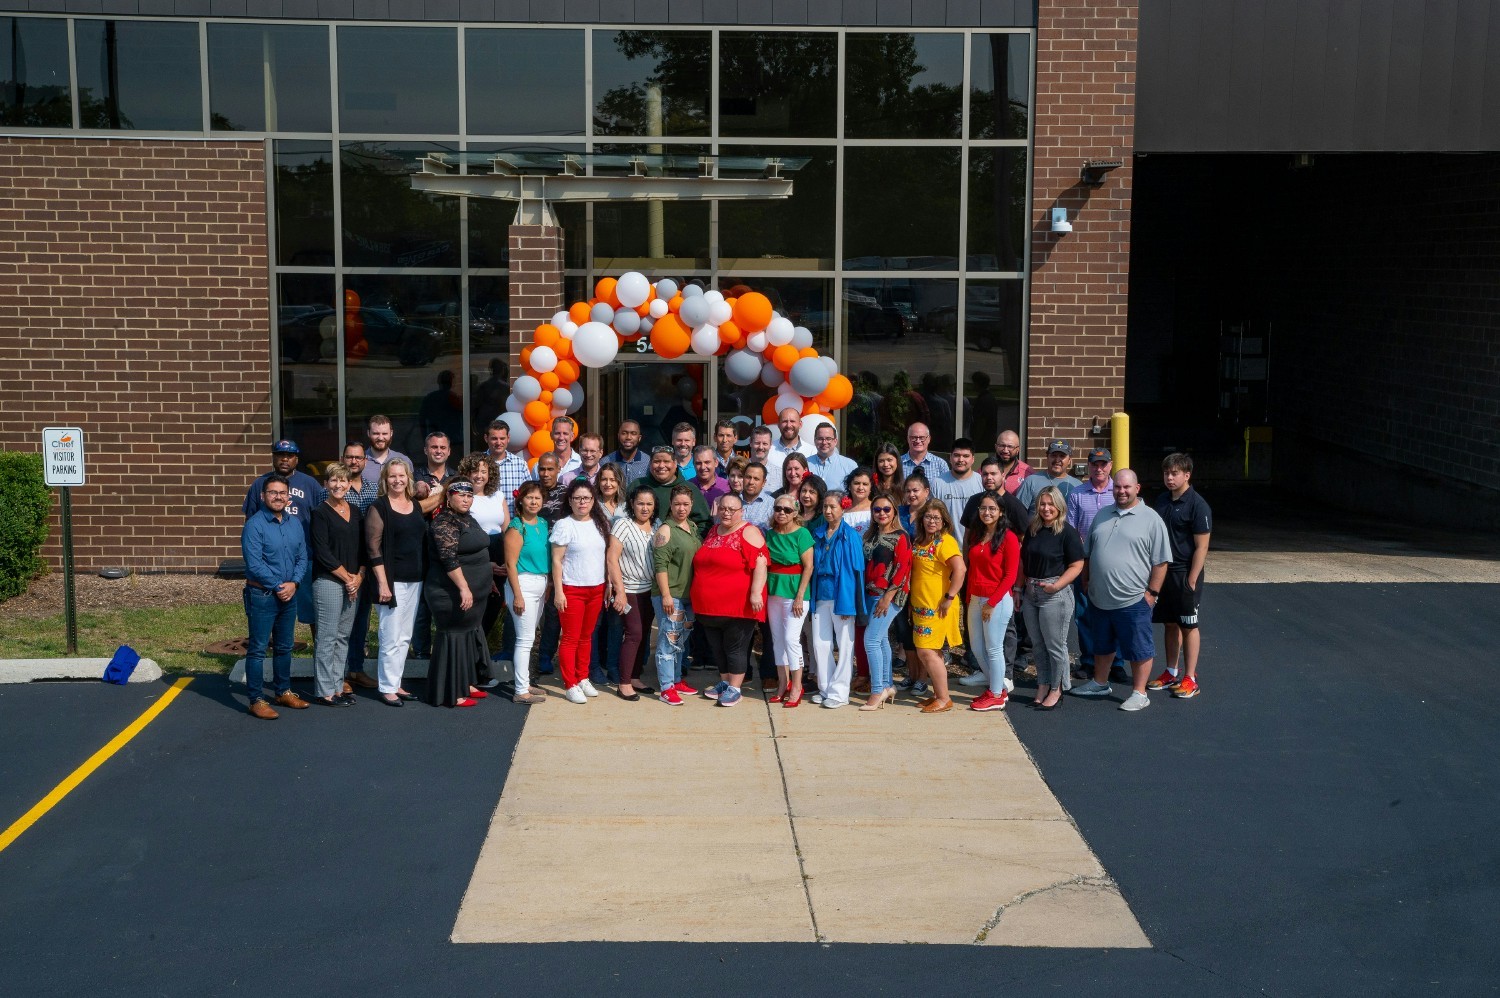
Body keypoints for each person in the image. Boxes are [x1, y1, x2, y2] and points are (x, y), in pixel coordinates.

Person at [1073, 470, 1172, 711]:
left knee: (1139, 648)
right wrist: (1086, 582)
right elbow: (1088, 554)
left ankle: (1139, 693)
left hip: (1134, 599)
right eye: (1117, 487)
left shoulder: (1151, 519)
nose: (1121, 491)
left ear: (1137, 488)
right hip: (1100, 597)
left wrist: (1152, 594)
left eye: (1127, 487)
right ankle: (1099, 682)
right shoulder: (1103, 515)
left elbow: (1161, 561)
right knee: (1102, 644)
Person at [240, 474, 310, 719]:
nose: (278, 497)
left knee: (284, 647)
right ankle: (256, 699)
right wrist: (281, 585)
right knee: (258, 649)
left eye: (282, 493)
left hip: (289, 594)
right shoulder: (254, 525)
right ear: (263, 496)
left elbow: (302, 557)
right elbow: (254, 563)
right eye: (273, 492)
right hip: (262, 595)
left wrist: (295, 583)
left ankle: (283, 691)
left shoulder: (294, 524)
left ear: (288, 496)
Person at [689, 494, 768, 707]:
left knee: (735, 647)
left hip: (737, 606)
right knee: (718, 648)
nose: (726, 512)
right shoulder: (714, 531)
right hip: (709, 607)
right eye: (723, 508)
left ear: (741, 511)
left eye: (732, 509)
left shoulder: (749, 531)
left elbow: (761, 563)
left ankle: (735, 688)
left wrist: (755, 593)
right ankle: (724, 683)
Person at [1147, 453, 1212, 699]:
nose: (1170, 477)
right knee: (1170, 623)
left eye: (1174, 473)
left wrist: (1192, 579)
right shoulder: (1162, 500)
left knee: (1188, 625)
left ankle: (1190, 678)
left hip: (1185, 574)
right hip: (1164, 573)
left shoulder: (1198, 505)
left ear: (1187, 475)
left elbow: (1202, 547)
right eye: (1166, 473)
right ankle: (1171, 672)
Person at [422, 480, 491, 708]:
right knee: (454, 636)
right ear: (448, 497)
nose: (465, 499)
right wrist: (463, 587)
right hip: (449, 591)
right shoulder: (443, 521)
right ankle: (451, 692)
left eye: (469, 495)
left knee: (468, 635)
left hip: (475, 591)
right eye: (460, 495)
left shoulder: (467, 518)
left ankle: (466, 682)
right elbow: (448, 558)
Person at [243, 439, 324, 630]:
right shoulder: (260, 484)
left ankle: (318, 651)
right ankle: (271, 648)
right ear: (273, 457)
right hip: (269, 560)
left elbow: (320, 519)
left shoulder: (309, 484)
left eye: (289, 456)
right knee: (270, 611)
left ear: (296, 459)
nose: (284, 460)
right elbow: (250, 521)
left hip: (304, 558)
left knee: (311, 609)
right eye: (280, 455)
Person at [1019, 485, 1085, 710]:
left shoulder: (1067, 532)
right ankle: (1042, 685)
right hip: (1031, 592)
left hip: (1054, 593)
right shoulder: (1033, 529)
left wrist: (1056, 585)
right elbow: (1023, 562)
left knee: (1055, 645)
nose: (1046, 508)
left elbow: (1077, 565)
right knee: (1037, 645)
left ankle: (1057, 689)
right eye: (1042, 504)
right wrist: (1019, 590)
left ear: (1059, 506)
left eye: (1050, 504)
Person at [366, 459, 426, 707]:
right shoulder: (379, 507)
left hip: (415, 579)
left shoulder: (414, 505)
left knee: (404, 635)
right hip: (391, 580)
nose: (397, 480)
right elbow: (373, 547)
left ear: (408, 478)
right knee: (390, 635)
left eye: (401, 476)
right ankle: (387, 687)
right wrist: (382, 583)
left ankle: (396, 681)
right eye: (392, 476)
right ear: (385, 479)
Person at [549, 479, 611, 704]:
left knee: (586, 637)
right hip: (572, 588)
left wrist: (607, 585)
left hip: (596, 588)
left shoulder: (598, 523)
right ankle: (570, 683)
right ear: (570, 501)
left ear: (593, 500)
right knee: (570, 639)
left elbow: (603, 558)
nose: (582, 502)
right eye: (577, 498)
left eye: (586, 498)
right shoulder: (564, 525)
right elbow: (556, 560)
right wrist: (558, 592)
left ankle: (583, 676)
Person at [1066, 446, 1123, 681]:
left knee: (1115, 613)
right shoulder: (1077, 494)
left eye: (1103, 464)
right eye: (1094, 464)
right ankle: (1089, 660)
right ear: (1089, 466)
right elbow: (1070, 529)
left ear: (1110, 466)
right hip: (1085, 562)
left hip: (1115, 563)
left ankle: (1116, 663)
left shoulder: (1119, 493)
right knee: (1085, 612)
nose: (1099, 468)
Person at [309, 463, 363, 707]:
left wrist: (359, 577)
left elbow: (363, 549)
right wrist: (347, 578)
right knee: (327, 637)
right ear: (326, 484)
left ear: (349, 484)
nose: (338, 485)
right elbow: (322, 552)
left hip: (354, 582)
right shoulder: (320, 513)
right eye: (333, 481)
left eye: (343, 481)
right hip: (329, 582)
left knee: (343, 636)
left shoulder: (356, 511)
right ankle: (324, 691)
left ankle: (337, 685)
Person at [809, 490, 868, 709]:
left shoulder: (850, 535)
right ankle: (826, 687)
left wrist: (852, 602)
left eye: (832, 506)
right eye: (825, 506)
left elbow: (857, 570)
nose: (827, 510)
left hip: (841, 594)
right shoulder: (817, 533)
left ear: (842, 508)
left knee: (844, 645)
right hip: (821, 593)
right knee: (820, 643)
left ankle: (841, 692)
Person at [907, 499, 966, 713]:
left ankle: (944, 698)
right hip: (920, 606)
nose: (931, 521)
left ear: (944, 521)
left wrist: (949, 597)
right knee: (931, 651)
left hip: (938, 606)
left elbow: (960, 570)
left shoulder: (945, 542)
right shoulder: (921, 542)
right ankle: (938, 694)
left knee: (927, 651)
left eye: (936, 518)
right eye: (928, 517)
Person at [963, 490, 1020, 712]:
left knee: (994, 648)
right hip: (975, 598)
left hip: (996, 599)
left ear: (1001, 512)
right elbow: (973, 569)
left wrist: (991, 602)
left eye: (992, 508)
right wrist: (970, 598)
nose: (987, 512)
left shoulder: (1009, 537)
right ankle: (997, 687)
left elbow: (1010, 575)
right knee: (978, 649)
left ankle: (996, 695)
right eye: (983, 508)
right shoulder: (977, 535)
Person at [457, 452, 509, 688]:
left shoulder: (498, 496)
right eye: (475, 470)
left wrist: (508, 563)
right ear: (466, 473)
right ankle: (467, 671)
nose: (479, 475)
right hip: (475, 562)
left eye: (484, 471)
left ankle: (478, 667)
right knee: (473, 617)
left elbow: (507, 530)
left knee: (489, 615)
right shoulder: (463, 498)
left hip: (500, 562)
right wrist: (485, 565)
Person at [606, 485, 659, 700]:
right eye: (640, 503)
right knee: (634, 634)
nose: (644, 508)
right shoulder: (623, 525)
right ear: (632, 504)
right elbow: (611, 558)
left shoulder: (657, 527)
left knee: (644, 634)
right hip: (629, 589)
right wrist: (619, 591)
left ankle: (635, 677)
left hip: (650, 590)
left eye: (649, 504)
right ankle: (624, 683)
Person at [860, 491, 912, 711]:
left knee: (870, 640)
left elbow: (903, 569)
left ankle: (877, 690)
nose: (881, 513)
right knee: (880, 641)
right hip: (871, 593)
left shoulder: (901, 536)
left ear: (894, 512)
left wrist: (888, 596)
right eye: (877, 509)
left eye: (886, 509)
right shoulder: (870, 535)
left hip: (890, 595)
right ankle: (888, 685)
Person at [652, 485, 702, 705]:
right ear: (670, 505)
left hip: (689, 595)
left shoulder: (691, 527)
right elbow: (660, 565)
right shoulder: (666, 530)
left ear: (691, 506)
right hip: (671, 594)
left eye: (685, 504)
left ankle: (676, 679)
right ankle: (666, 687)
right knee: (667, 642)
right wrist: (665, 595)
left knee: (680, 641)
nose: (681, 508)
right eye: (677, 504)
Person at [503, 481, 550, 705]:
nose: (534, 502)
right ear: (521, 500)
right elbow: (510, 564)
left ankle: (526, 681)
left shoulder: (542, 523)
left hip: (540, 583)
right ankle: (520, 690)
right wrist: (518, 595)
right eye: (530, 497)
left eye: (538, 498)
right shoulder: (516, 526)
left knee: (530, 638)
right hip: (523, 584)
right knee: (524, 639)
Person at [764, 492, 814, 706]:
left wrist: (800, 596)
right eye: (778, 509)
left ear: (795, 513)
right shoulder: (770, 534)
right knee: (778, 639)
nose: (781, 513)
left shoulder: (802, 534)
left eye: (787, 510)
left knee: (792, 639)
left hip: (795, 592)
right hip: (774, 591)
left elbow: (808, 567)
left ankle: (797, 686)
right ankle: (782, 683)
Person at [340, 440, 382, 691]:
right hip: (341, 564)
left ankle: (356, 669)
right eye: (349, 457)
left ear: (365, 461)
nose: (354, 461)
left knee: (361, 619)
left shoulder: (374, 489)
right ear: (343, 459)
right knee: (341, 620)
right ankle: (340, 673)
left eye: (358, 457)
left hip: (366, 562)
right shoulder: (332, 489)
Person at [630, 445, 711, 537]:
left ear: (675, 463)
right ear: (650, 464)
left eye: (666, 461)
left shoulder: (689, 489)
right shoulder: (637, 485)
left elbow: (705, 524)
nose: (661, 466)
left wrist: (691, 543)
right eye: (656, 461)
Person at [935, 437, 983, 543]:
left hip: (975, 545)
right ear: (950, 458)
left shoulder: (981, 482)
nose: (961, 460)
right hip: (944, 546)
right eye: (956, 455)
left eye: (966, 456)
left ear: (973, 459)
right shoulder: (937, 483)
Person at [1015, 439, 1082, 511]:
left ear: (1069, 460)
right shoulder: (1031, 481)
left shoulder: (1078, 486)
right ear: (1047, 457)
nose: (1057, 460)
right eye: (1053, 455)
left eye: (1062, 456)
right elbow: (1018, 513)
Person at [482, 419, 531, 515]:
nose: (498, 442)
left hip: (513, 523)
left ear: (508, 438)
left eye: (502, 438)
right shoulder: (478, 463)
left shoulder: (520, 464)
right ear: (486, 438)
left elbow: (529, 493)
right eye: (494, 438)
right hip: (485, 522)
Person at [362, 414, 410, 489]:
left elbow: (410, 490)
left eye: (384, 433)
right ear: (368, 433)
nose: (380, 438)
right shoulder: (359, 461)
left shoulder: (404, 460)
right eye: (376, 433)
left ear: (391, 433)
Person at [807, 421, 857, 489]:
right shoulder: (806, 464)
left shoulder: (849, 466)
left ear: (835, 441)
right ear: (815, 441)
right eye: (820, 439)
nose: (824, 442)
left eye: (828, 439)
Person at [605, 419, 650, 486]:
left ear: (639, 438)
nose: (628, 437)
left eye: (633, 433)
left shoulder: (648, 462)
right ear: (618, 436)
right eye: (624, 433)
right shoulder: (606, 462)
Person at [538, 416, 582, 481]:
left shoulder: (581, 463)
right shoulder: (540, 465)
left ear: (572, 436)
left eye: (565, 433)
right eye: (557, 433)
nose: (561, 438)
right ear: (551, 435)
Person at [691, 445, 730, 513]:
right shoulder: (687, 486)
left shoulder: (727, 486)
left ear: (716, 463)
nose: (703, 467)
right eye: (698, 463)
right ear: (693, 464)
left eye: (707, 462)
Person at [993, 430, 1032, 495]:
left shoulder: (1028, 474)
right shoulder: (984, 471)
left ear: (1018, 449)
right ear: (996, 447)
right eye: (1002, 445)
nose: (1005, 450)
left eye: (1010, 446)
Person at [739, 461, 775, 529]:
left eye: (756, 479)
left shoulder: (772, 505)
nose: (751, 482)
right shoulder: (733, 501)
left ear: (764, 482)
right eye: (748, 477)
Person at [898, 471, 931, 539]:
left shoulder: (932, 513)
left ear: (926, 492)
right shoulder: (898, 511)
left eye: (915, 490)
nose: (911, 495)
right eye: (908, 491)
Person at [842, 467, 874, 534]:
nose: (860, 487)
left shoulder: (876, 508)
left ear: (871, 487)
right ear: (849, 486)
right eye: (856, 483)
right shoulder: (841, 510)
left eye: (865, 484)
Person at [748, 424, 780, 490]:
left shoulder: (779, 474)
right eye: (757, 443)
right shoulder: (740, 469)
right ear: (750, 442)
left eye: (765, 444)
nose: (761, 447)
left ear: (771, 444)